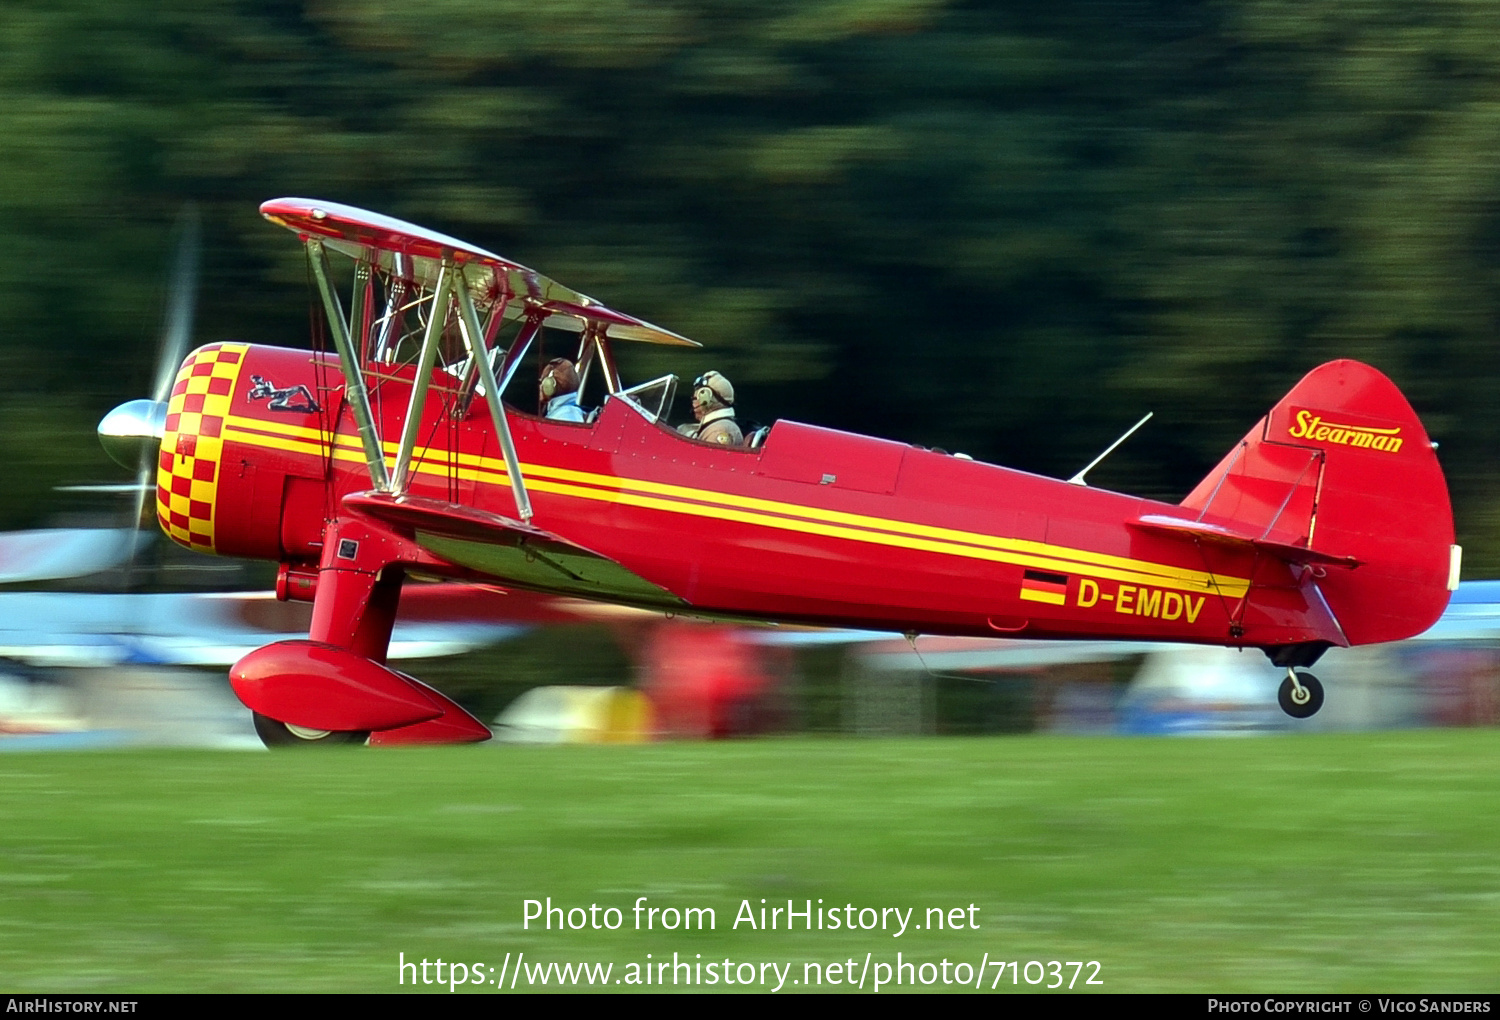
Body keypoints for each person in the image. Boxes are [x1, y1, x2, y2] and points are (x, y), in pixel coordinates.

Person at [677, 370, 743, 446]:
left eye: (696, 398)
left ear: (707, 400)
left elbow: (709, 457)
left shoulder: (719, 430)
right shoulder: (715, 426)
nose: (693, 402)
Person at [539, 358, 588, 422]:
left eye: (542, 382)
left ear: (550, 385)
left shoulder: (565, 416)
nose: (540, 386)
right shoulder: (564, 411)